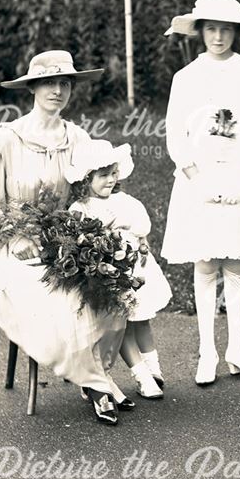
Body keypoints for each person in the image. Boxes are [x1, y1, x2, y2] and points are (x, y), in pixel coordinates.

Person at [0, 51, 129, 425]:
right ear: (32, 88)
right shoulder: (6, 139)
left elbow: (90, 194)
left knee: (108, 283)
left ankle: (93, 372)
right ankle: (95, 384)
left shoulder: (77, 138)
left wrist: (93, 236)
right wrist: (19, 235)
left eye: (64, 83)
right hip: (10, 243)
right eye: (49, 82)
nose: (57, 90)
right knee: (56, 295)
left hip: (65, 239)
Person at [161, 0, 240, 386]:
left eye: (226, 29)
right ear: (199, 31)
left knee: (237, 265)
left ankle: (238, 350)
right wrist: (199, 179)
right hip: (200, 179)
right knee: (206, 262)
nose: (218, 36)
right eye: (211, 28)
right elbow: (176, 133)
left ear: (237, 32)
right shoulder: (186, 77)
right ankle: (208, 352)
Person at [67, 139, 172, 400]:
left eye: (114, 173)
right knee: (122, 323)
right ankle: (142, 375)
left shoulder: (127, 202)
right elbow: (83, 245)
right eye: (103, 175)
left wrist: (144, 247)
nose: (111, 180)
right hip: (109, 274)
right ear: (85, 179)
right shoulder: (81, 210)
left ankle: (154, 370)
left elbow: (141, 234)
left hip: (136, 268)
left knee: (142, 320)